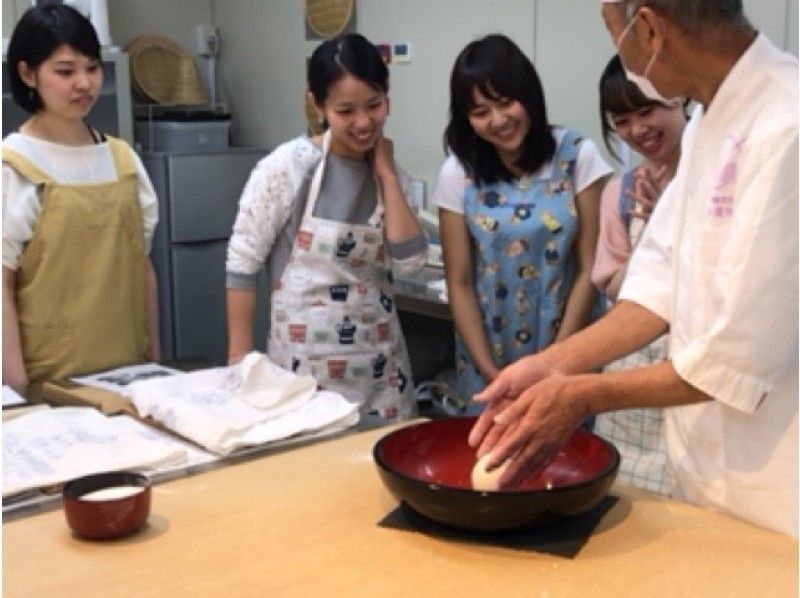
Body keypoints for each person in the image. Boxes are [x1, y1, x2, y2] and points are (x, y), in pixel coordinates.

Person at [468, 0, 798, 537]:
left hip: (776, 490)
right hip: (706, 471)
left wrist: (582, 394)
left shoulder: (786, 125)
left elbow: (733, 359)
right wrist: (556, 364)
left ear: (647, 28)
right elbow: (658, 282)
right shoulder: (710, 121)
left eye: (612, 31)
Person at [226, 33, 426, 421]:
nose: (364, 122)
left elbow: (410, 265)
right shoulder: (287, 168)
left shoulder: (392, 177)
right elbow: (241, 265)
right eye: (345, 111)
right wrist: (239, 362)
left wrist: (385, 173)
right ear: (317, 104)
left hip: (381, 378)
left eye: (374, 105)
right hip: (305, 378)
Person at [433, 34, 611, 411]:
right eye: (480, 112)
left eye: (504, 103)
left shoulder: (578, 156)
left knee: (566, 459)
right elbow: (460, 281)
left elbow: (588, 268)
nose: (498, 121)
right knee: (488, 461)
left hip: (567, 346)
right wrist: (488, 370)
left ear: (528, 94)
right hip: (488, 354)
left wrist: (557, 362)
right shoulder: (459, 172)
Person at [2, 4, 160, 396]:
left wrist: (155, 362)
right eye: (65, 70)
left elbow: (142, 266)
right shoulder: (15, 165)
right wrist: (18, 384)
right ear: (27, 74)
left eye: (92, 67)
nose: (84, 83)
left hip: (129, 374)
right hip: (50, 380)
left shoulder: (124, 160)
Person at [589, 54, 687, 495]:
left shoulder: (715, 181)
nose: (637, 129)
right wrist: (650, 229)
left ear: (679, 98)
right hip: (632, 363)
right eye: (622, 120)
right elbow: (613, 288)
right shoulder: (621, 192)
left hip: (687, 362)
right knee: (626, 495)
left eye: (647, 111)